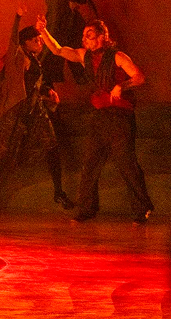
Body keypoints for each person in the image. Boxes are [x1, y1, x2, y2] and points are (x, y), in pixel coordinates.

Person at [36, 17, 153, 224]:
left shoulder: (117, 57)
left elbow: (139, 77)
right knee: (90, 164)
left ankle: (142, 207)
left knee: (127, 164)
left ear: (102, 37)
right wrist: (44, 31)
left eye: (89, 36)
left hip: (120, 117)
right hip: (100, 116)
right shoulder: (84, 56)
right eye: (83, 36)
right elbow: (58, 50)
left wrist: (122, 87)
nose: (85, 40)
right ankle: (87, 209)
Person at [0, 8, 73, 213]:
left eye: (39, 39)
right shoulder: (18, 58)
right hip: (18, 112)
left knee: (52, 147)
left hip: (35, 109)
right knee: (4, 156)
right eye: (36, 39)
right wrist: (17, 17)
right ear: (25, 42)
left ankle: (58, 192)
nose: (39, 42)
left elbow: (34, 83)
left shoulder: (35, 60)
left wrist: (48, 91)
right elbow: (13, 42)